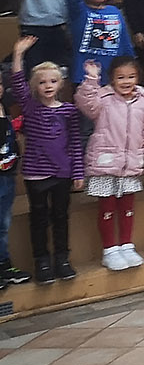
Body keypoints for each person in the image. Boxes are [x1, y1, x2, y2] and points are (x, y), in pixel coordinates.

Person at [5, 38, 82, 283]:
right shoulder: (30, 108)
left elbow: (75, 145)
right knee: (39, 218)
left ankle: (62, 258)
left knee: (61, 216)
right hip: (36, 175)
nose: (47, 86)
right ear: (34, 86)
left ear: (60, 84)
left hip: (62, 174)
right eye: (41, 82)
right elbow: (17, 83)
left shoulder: (69, 111)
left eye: (52, 81)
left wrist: (78, 173)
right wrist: (18, 54)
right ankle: (42, 262)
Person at [75, 57, 144, 272]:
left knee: (128, 208)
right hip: (106, 164)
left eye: (131, 77)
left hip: (130, 165)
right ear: (112, 78)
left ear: (138, 78)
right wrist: (92, 79)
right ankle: (109, 250)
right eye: (121, 77)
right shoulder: (103, 98)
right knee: (108, 207)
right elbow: (85, 104)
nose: (126, 81)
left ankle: (126, 245)